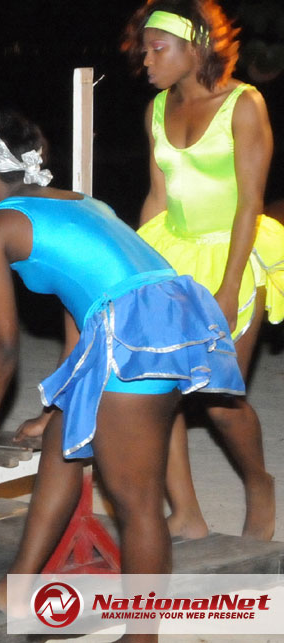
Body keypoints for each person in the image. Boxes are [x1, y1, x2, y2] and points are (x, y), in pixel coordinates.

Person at [0, 112, 245, 636]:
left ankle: (141, 635)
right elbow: (82, 306)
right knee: (64, 441)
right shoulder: (80, 201)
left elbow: (1, 344)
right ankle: (17, 587)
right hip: (164, 310)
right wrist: (58, 405)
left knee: (136, 503)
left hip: (135, 334)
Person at [122, 0, 281, 540]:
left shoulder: (243, 104)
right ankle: (188, 513)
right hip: (174, 249)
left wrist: (230, 285)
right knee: (157, 389)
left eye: (157, 48)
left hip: (234, 251)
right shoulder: (156, 111)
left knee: (218, 397)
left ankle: (259, 482)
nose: (145, 59)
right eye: (143, 48)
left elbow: (249, 203)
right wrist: (141, 273)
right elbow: (157, 198)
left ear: (196, 47)